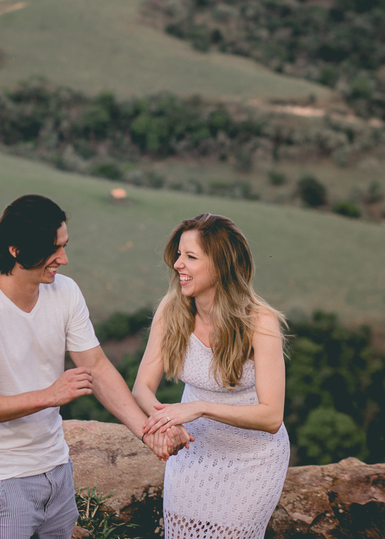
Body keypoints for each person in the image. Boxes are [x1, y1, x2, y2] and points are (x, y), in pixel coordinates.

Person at [0, 194, 190, 539]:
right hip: (0, 479)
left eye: (63, 245)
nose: (64, 258)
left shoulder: (66, 293)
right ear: (16, 250)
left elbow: (97, 368)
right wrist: (47, 396)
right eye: (53, 249)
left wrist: (147, 431)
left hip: (56, 469)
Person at [132, 213, 290, 539]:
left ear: (220, 266)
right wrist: (166, 421)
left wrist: (200, 407)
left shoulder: (260, 322)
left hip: (252, 461)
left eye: (190, 257)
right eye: (178, 254)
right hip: (192, 454)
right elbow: (142, 388)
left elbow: (272, 416)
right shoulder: (171, 309)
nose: (178, 264)